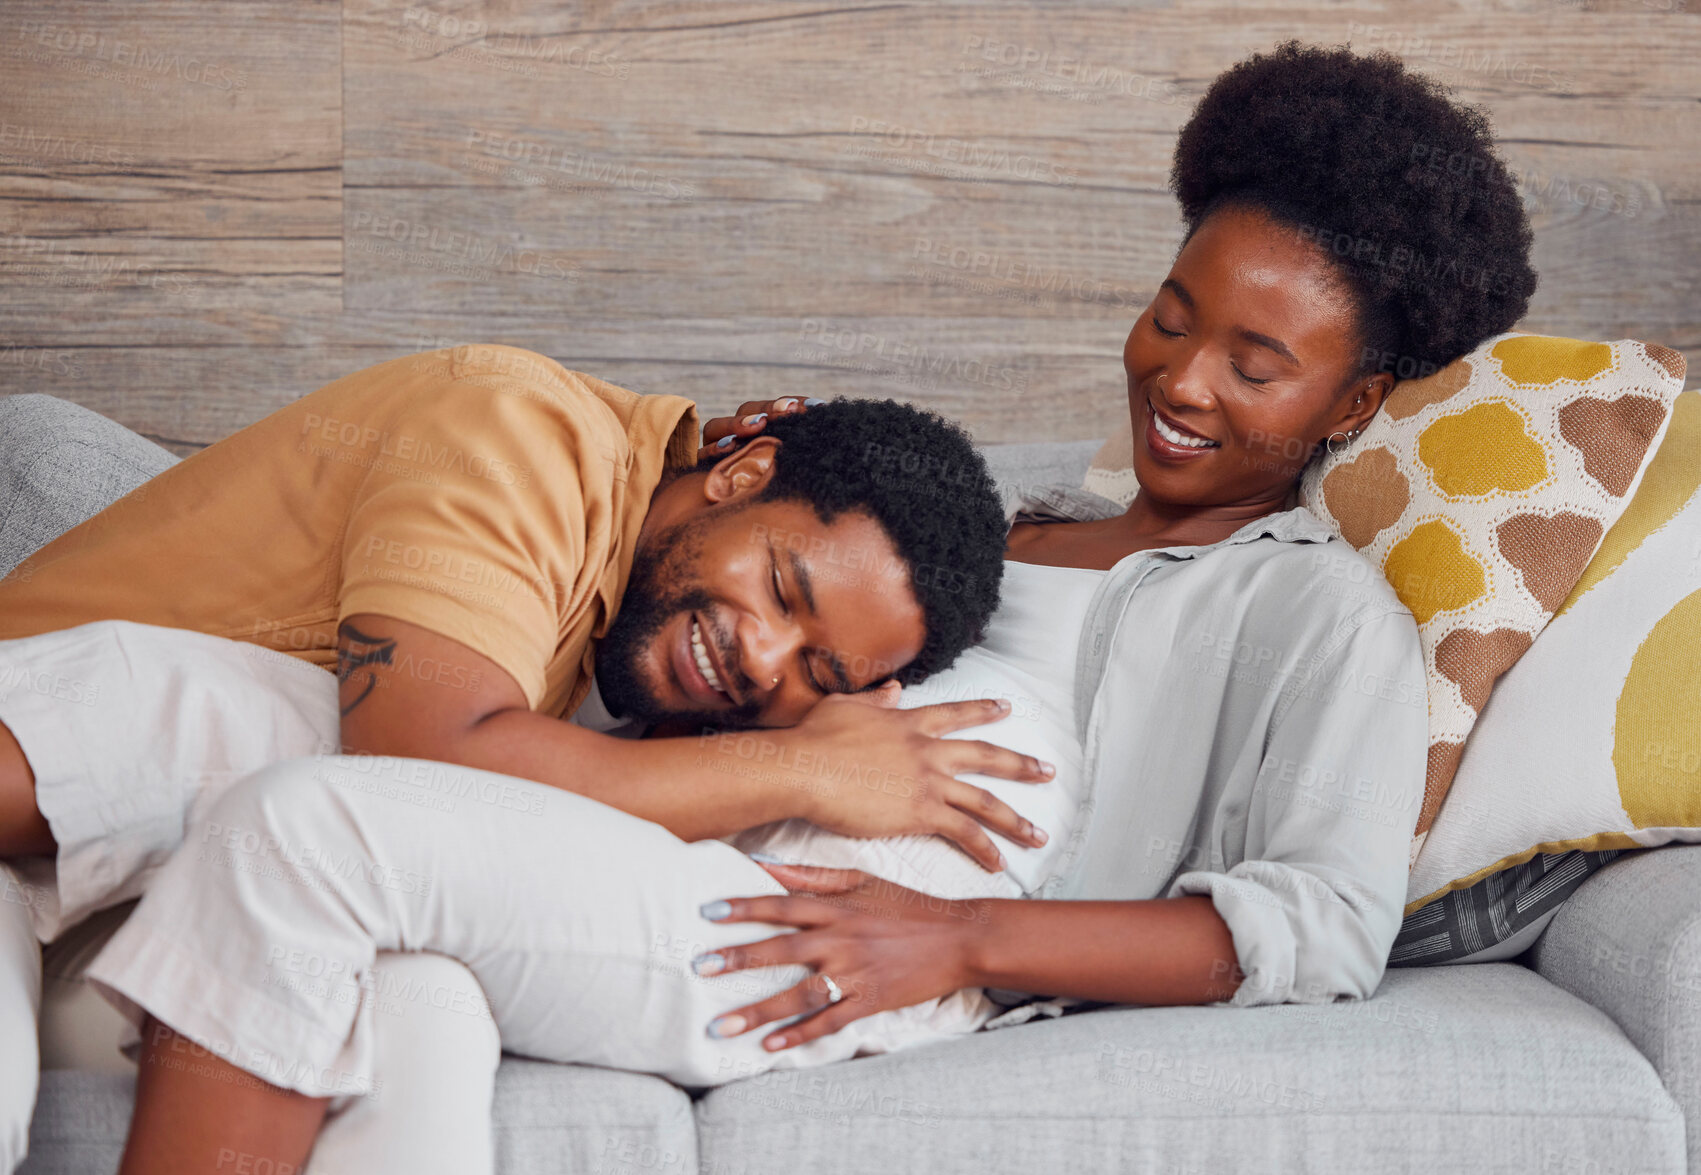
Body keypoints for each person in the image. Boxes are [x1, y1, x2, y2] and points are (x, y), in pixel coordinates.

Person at [75, 38, 1542, 1174]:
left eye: (1254, 361)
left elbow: (1318, 930)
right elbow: (749, 576)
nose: (1181, 377)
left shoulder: (1314, 612)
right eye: (1173, 312)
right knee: (244, 737)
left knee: (305, 830)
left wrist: (961, 946)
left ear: (1350, 400)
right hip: (669, 821)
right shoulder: (1007, 524)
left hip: (839, 932)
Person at [0, 356, 1047, 1173]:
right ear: (740, 472)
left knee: (433, 1004)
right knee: (332, 768)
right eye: (781, 585)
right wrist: (806, 771)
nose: (760, 656)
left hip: (176, 904)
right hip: (37, 798)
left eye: (816, 670)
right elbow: (413, 762)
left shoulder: (629, 682)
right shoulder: (517, 431)